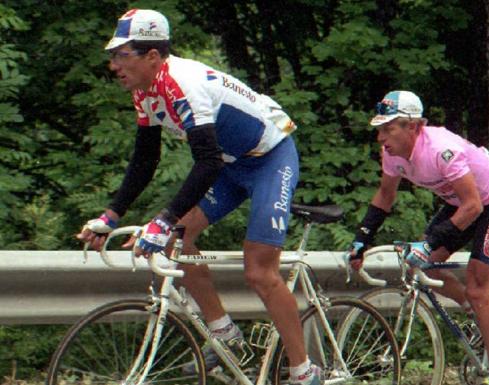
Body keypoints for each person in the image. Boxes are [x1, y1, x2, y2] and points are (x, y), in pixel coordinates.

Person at [76, 9, 321, 385]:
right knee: (176, 239)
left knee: (259, 271)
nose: (113, 65)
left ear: (153, 56)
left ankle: (303, 370)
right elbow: (146, 158)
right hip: (229, 164)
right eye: (113, 56)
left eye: (122, 55)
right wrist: (110, 215)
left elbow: (205, 162)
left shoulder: (182, 83)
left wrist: (162, 218)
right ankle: (224, 334)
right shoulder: (146, 92)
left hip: (269, 159)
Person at [347, 90, 489, 385]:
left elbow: (474, 206)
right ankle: (474, 314)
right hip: (460, 202)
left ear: (412, 126)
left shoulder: (441, 149)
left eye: (388, 129)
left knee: (479, 289)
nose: (381, 138)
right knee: (423, 265)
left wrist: (429, 242)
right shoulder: (392, 154)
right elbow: (386, 196)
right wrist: (362, 238)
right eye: (379, 130)